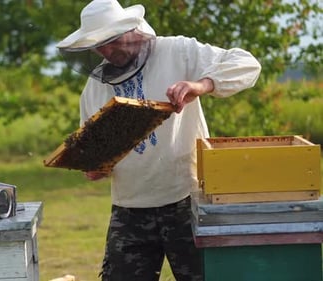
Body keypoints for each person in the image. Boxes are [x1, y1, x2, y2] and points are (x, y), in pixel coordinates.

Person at [56, 0, 261, 280]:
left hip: (185, 199)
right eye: (98, 45)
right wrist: (96, 167)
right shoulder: (94, 88)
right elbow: (94, 149)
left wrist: (200, 85)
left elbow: (247, 64)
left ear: (130, 29)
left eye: (111, 41)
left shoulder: (177, 50)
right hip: (129, 208)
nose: (106, 50)